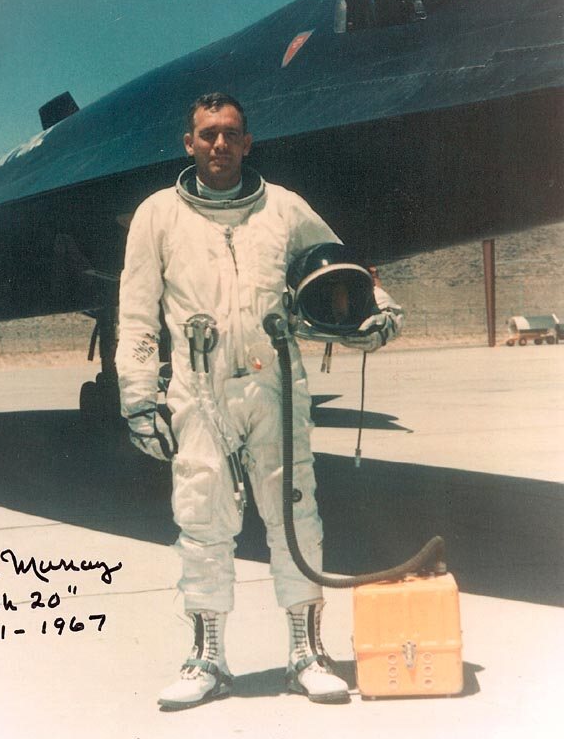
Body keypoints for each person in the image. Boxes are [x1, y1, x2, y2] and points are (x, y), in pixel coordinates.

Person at [115, 92, 402, 710]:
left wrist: (379, 313)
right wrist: (139, 397)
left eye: (232, 134)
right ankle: (208, 659)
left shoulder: (285, 208)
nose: (220, 144)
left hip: (274, 381)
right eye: (208, 134)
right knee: (201, 519)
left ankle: (307, 653)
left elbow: (342, 269)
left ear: (248, 143)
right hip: (198, 388)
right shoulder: (158, 215)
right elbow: (137, 314)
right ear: (188, 144)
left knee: (295, 515)